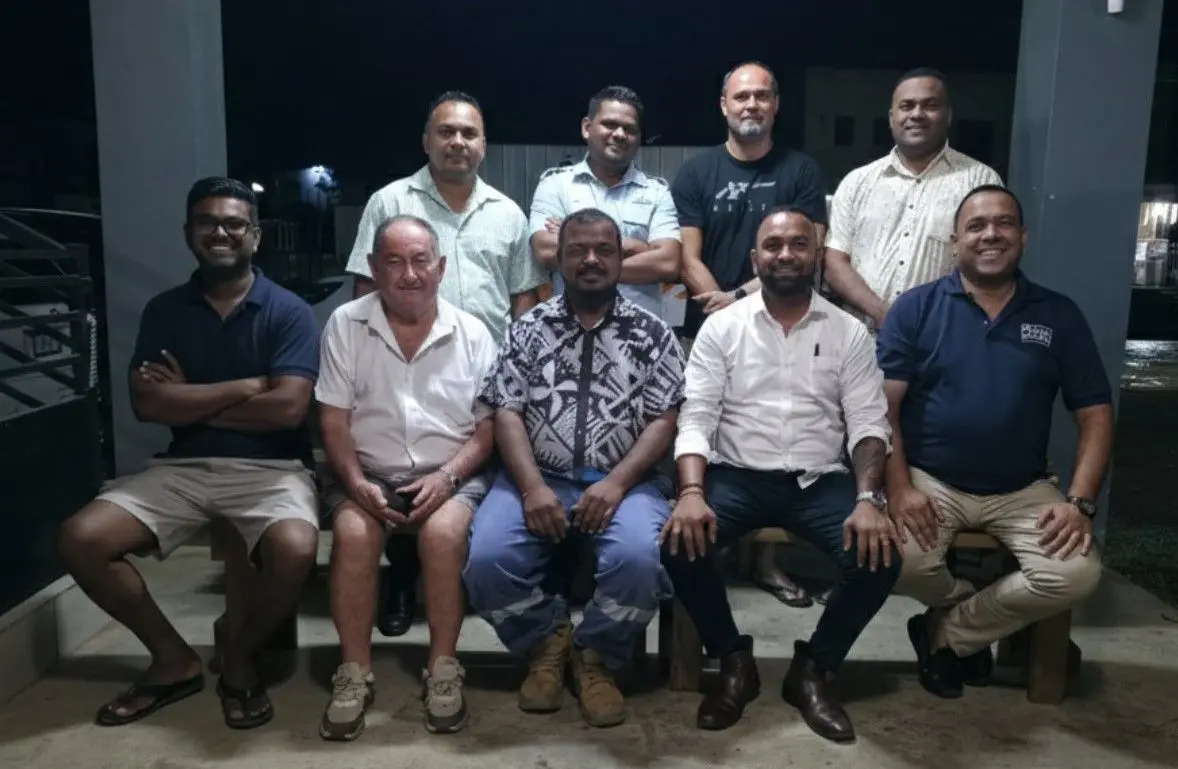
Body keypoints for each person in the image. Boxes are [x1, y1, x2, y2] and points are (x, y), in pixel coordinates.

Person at [56, 177, 321, 730]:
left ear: (255, 236)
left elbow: (289, 411)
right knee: (82, 539)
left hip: (272, 469)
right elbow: (147, 404)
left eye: (233, 224)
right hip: (184, 467)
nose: (220, 233)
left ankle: (243, 658)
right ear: (189, 234)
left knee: (296, 550)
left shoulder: (289, 311)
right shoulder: (165, 310)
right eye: (208, 223)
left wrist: (190, 399)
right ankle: (172, 660)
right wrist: (249, 385)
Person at [663, 206, 899, 743]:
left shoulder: (848, 333)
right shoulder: (722, 328)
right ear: (755, 259)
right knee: (680, 543)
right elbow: (696, 416)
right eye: (773, 246)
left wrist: (867, 498)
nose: (785, 254)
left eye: (798, 244)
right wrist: (693, 491)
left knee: (879, 558)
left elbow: (867, 422)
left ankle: (813, 668)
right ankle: (732, 661)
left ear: (817, 256)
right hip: (737, 476)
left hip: (820, 479)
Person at [877, 185, 1110, 699]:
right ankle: (968, 604)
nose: (991, 235)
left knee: (1075, 574)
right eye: (977, 226)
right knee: (894, 563)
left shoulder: (1058, 314)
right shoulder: (915, 309)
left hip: (1024, 487)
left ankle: (948, 634)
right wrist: (898, 488)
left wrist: (1080, 502)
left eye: (1003, 224)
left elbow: (1095, 414)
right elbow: (883, 409)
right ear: (954, 240)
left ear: (1022, 238)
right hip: (931, 482)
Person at [464, 208, 685, 728]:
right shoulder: (528, 329)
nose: (590, 260)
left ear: (619, 257)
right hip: (539, 478)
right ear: (559, 260)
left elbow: (665, 417)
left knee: (638, 558)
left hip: (627, 484)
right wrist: (533, 487)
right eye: (577, 250)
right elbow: (507, 410)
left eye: (603, 250)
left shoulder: (652, 332)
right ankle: (547, 641)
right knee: (486, 559)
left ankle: (597, 657)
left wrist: (616, 483)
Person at [343, 91, 547, 639]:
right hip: (401, 368)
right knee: (401, 465)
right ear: (426, 140)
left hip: (479, 376)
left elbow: (523, 297)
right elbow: (366, 289)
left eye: (469, 133)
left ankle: (463, 581)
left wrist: (515, 373)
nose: (458, 142)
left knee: (465, 482)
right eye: (447, 132)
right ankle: (403, 583)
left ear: (484, 144)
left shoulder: (507, 213)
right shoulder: (390, 201)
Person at [316, 214, 496, 738]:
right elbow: (333, 420)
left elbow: (488, 428)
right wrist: (356, 484)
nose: (409, 274)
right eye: (393, 261)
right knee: (353, 533)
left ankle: (443, 668)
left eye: (421, 261)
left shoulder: (472, 332)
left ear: (440, 269)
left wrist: (449, 479)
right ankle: (353, 671)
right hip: (366, 470)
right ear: (373, 268)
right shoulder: (346, 324)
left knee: (442, 535)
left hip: (451, 474)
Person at [671, 61, 830, 605]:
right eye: (741, 96)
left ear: (776, 105)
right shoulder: (697, 172)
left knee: (772, 424)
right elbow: (686, 256)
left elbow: (811, 247)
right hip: (708, 327)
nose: (751, 105)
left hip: (777, 317)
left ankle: (764, 561)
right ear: (724, 105)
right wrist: (720, 307)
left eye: (762, 96)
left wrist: (740, 300)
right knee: (707, 431)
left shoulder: (802, 170)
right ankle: (708, 544)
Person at [823, 68, 1003, 329]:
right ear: (892, 117)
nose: (916, 114)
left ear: (948, 115)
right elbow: (835, 261)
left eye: (930, 105)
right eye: (907, 106)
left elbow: (990, 263)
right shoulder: (857, 182)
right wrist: (883, 313)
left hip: (943, 341)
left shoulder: (979, 182)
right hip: (859, 341)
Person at [528, 85, 682, 319]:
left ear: (639, 138)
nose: (620, 134)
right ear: (587, 128)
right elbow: (546, 250)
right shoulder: (555, 185)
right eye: (610, 124)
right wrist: (638, 247)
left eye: (629, 129)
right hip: (570, 331)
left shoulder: (656, 192)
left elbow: (668, 263)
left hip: (639, 336)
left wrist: (579, 245)